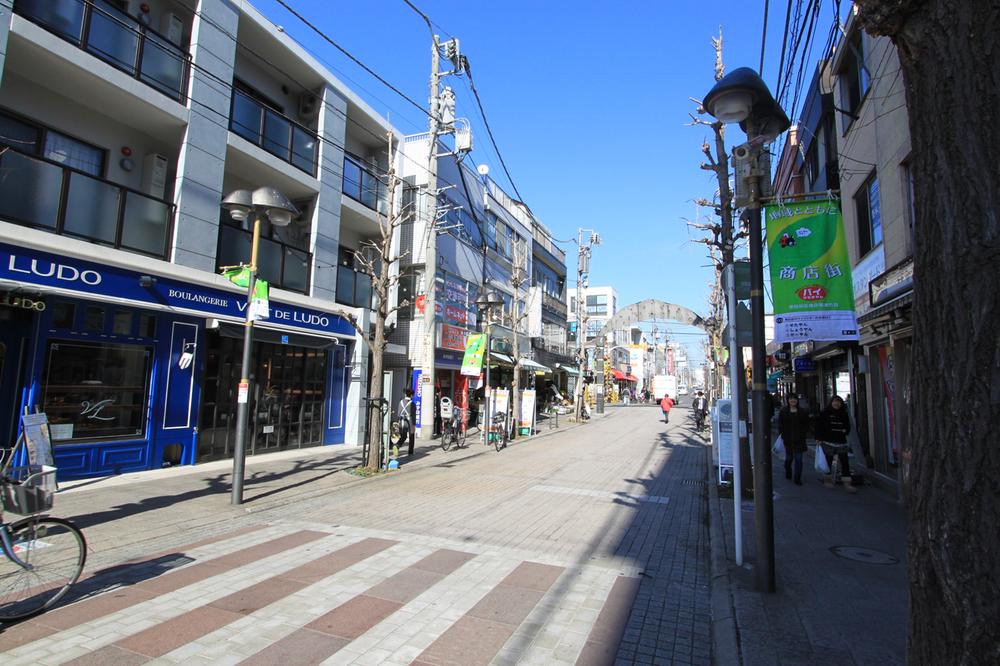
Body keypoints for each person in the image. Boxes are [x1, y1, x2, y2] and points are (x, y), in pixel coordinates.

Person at [816, 395, 854, 492]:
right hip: (828, 441)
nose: (836, 404)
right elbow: (819, 426)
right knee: (828, 461)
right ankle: (827, 479)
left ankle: (847, 482)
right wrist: (819, 438)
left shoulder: (843, 414)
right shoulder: (825, 413)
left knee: (845, 462)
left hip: (841, 441)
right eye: (835, 401)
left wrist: (845, 431)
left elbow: (848, 426)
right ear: (831, 402)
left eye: (838, 402)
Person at [778, 394, 810, 485]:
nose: (793, 401)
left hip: (799, 439)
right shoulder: (783, 411)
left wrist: (803, 433)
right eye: (791, 399)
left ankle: (797, 478)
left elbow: (806, 424)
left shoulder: (802, 411)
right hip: (788, 438)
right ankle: (788, 469)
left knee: (799, 459)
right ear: (788, 400)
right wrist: (782, 435)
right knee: (789, 458)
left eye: (794, 399)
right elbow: (780, 425)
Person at [397, 388, 416, 456]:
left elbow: (398, 414)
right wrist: (414, 425)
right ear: (411, 395)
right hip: (410, 422)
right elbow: (413, 416)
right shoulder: (412, 404)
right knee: (411, 436)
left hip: (402, 421)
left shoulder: (401, 402)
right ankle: (410, 451)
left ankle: (397, 446)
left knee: (403, 436)